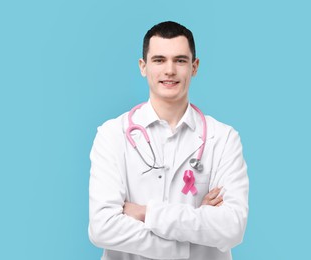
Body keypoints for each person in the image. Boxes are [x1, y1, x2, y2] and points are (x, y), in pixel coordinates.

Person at [88, 21, 249, 260]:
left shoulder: (223, 138)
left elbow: (232, 228)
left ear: (194, 67)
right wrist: (190, 240)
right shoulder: (112, 134)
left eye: (180, 60)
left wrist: (146, 212)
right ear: (143, 67)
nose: (170, 70)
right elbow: (102, 227)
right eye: (159, 60)